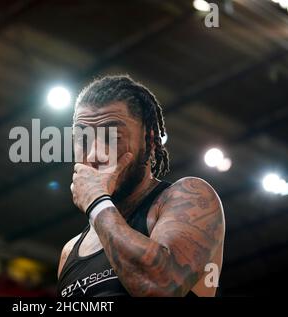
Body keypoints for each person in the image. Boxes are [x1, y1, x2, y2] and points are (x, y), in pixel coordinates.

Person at [57, 75, 225, 297]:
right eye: (83, 139)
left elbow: (161, 286)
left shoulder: (189, 198)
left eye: (111, 136)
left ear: (150, 140)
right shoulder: (69, 251)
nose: (94, 154)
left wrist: (97, 203)